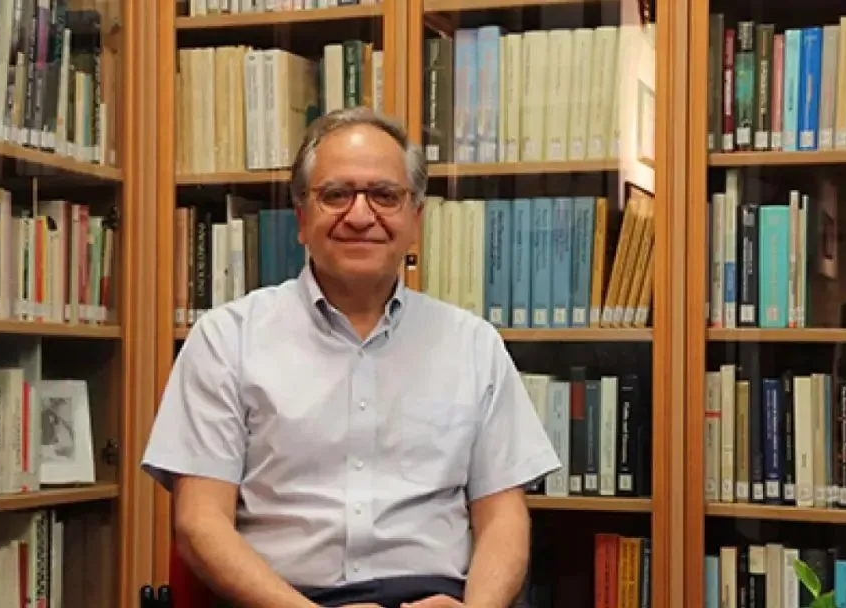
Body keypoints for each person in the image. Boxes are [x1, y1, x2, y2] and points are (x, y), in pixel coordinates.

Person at [141, 107, 561, 608]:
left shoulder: (473, 345)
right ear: (301, 218)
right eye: (336, 195)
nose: (360, 216)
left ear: (415, 220)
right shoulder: (226, 340)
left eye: (385, 195)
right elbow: (199, 523)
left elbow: (504, 519)